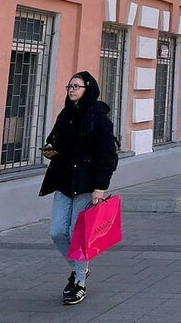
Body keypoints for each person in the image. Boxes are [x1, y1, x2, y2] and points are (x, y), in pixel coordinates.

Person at [40, 71, 118, 306]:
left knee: (77, 233)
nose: (71, 90)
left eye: (76, 86)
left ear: (88, 88)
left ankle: (79, 282)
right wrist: (51, 147)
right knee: (56, 232)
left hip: (86, 184)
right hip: (64, 182)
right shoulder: (66, 114)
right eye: (69, 86)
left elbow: (107, 154)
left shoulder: (99, 117)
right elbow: (54, 139)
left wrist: (100, 187)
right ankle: (79, 267)